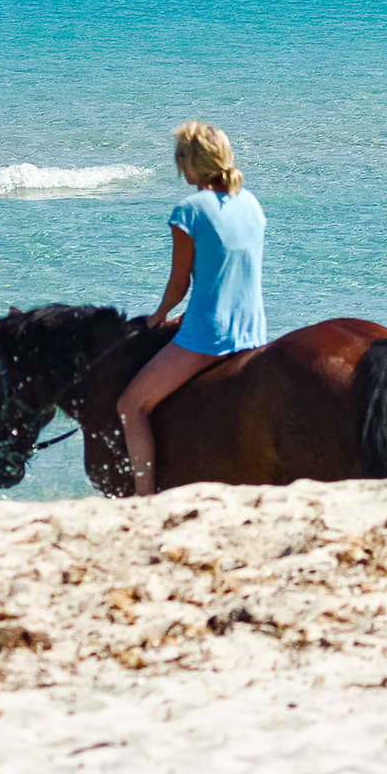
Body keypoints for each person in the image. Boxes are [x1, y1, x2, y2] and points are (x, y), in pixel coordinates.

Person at [117, 120, 266, 496]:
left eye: (179, 158)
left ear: (189, 162)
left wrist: (157, 317)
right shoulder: (250, 203)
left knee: (130, 406)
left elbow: (179, 284)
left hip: (210, 334)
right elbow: (232, 273)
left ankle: (144, 497)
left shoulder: (189, 211)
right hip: (253, 329)